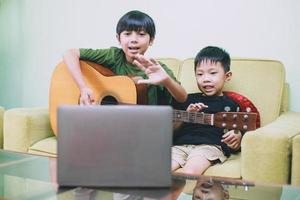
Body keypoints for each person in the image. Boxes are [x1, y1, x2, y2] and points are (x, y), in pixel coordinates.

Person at [63, 10, 187, 105]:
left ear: (151, 40)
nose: (133, 40)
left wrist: (167, 81)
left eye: (141, 34)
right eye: (127, 34)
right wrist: (83, 88)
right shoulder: (114, 56)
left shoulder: (157, 69)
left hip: (142, 126)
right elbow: (70, 53)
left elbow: (183, 98)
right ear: (118, 39)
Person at [172, 46, 243, 175]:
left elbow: (237, 138)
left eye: (212, 73)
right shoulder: (186, 99)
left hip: (209, 147)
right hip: (179, 146)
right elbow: (171, 129)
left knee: (190, 171)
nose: (206, 78)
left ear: (227, 76)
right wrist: (186, 115)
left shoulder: (230, 105)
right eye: (200, 74)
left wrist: (237, 137)